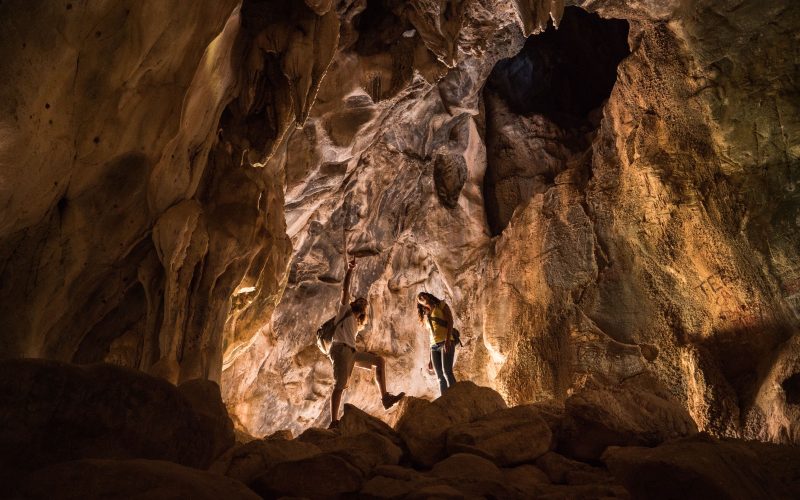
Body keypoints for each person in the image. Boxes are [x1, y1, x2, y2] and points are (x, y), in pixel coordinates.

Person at [328, 257, 404, 429]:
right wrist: (350, 270)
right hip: (340, 350)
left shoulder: (356, 324)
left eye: (364, 304)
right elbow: (345, 289)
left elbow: (350, 339)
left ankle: (385, 398)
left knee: (379, 361)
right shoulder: (345, 310)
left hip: (351, 352)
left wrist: (362, 352)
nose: (362, 303)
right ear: (353, 303)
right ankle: (333, 421)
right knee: (340, 385)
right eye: (360, 301)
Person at [417, 292, 457, 396]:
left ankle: (456, 397)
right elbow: (431, 336)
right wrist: (430, 358)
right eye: (420, 298)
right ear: (420, 303)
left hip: (445, 342)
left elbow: (450, 321)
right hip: (434, 347)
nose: (422, 297)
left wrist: (448, 340)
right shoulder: (426, 316)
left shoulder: (441, 305)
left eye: (423, 295)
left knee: (447, 372)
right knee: (439, 376)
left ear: (428, 296)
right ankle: (445, 399)